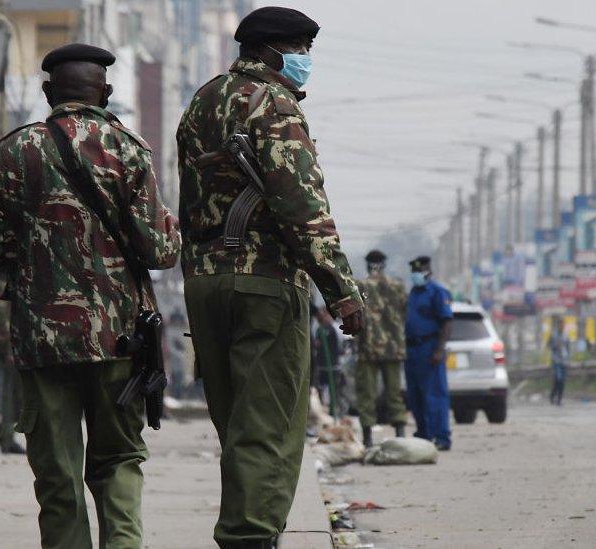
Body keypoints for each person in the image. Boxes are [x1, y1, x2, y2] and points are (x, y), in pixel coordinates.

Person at [0, 43, 180, 548]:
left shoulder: (15, 150)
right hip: (120, 340)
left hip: (43, 342)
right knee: (119, 462)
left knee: (58, 475)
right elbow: (162, 250)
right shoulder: (129, 150)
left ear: (47, 92)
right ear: (105, 94)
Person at [175, 7, 364, 548]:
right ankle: (251, 539)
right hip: (264, 281)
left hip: (206, 281)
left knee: (235, 423)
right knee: (269, 425)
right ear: (270, 50)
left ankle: (245, 530)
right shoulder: (275, 104)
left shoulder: (202, 101)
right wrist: (341, 292)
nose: (306, 60)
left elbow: (191, 197)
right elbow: (302, 205)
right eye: (300, 49)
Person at [355, 250, 409, 447]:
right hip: (393, 347)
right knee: (394, 392)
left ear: (368, 264)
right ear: (383, 264)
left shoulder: (360, 286)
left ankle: (368, 438)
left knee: (366, 394)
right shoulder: (397, 287)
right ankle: (400, 434)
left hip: (367, 348)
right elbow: (405, 312)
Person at [404, 256, 453, 451]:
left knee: (435, 395)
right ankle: (423, 433)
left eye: (420, 271)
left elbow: (447, 322)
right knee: (415, 395)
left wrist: (439, 350)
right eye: (414, 272)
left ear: (428, 271)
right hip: (412, 349)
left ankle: (441, 436)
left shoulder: (438, 292)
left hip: (429, 347)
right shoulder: (413, 293)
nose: (416, 275)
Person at [0, 275, 25, 454]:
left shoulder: (1, 282)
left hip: (9, 345)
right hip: (8, 346)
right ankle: (6, 437)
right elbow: (1, 321)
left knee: (13, 392)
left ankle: (7, 435)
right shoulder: (1, 284)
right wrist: (9, 348)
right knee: (8, 393)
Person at [547, 316, 571, 406]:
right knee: (558, 379)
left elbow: (568, 348)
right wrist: (555, 346)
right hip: (556, 360)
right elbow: (548, 345)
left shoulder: (566, 335)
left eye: (563, 324)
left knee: (562, 381)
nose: (562, 326)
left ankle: (559, 399)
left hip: (564, 360)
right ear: (558, 326)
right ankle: (553, 395)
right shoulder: (553, 335)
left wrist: (569, 359)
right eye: (560, 324)